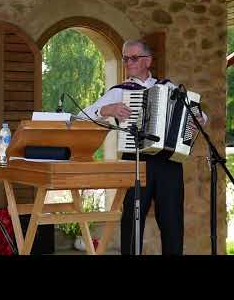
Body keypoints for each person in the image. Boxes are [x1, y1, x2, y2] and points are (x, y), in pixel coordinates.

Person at [78, 39, 206, 255]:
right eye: (125, 58)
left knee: (172, 221)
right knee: (132, 220)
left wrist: (198, 119)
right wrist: (107, 110)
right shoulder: (120, 91)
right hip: (136, 160)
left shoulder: (168, 87)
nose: (128, 62)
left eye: (134, 58)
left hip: (168, 162)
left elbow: (200, 115)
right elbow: (82, 116)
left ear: (148, 61)